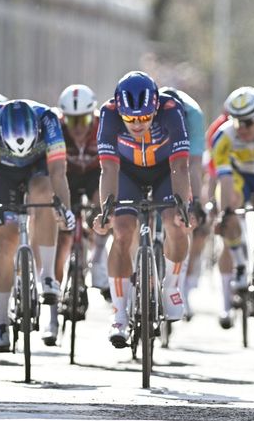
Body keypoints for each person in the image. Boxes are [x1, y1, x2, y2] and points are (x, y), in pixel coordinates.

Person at [92, 71, 192, 348]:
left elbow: (180, 167)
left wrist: (185, 205)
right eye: (131, 119)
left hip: (164, 172)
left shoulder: (171, 111)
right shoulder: (109, 114)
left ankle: (172, 287)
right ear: (120, 111)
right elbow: (108, 167)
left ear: (155, 108)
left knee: (175, 222)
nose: (138, 124)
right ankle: (120, 314)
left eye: (145, 118)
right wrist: (106, 210)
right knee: (122, 231)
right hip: (127, 173)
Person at [0, 99, 74, 352]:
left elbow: (59, 172)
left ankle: (48, 275)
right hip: (3, 174)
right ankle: (2, 321)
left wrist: (64, 208)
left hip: (39, 168)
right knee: (5, 240)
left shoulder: (49, 119)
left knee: (44, 194)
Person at [211, 86, 254, 329]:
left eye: (248, 122)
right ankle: (240, 264)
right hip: (240, 178)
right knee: (229, 207)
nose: (243, 128)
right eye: (237, 122)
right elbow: (225, 179)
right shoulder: (224, 136)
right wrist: (224, 213)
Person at [54, 84, 110, 304]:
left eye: (83, 121)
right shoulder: (56, 128)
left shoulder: (103, 126)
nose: (77, 128)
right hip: (67, 175)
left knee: (101, 204)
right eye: (71, 121)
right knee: (63, 235)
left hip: (95, 173)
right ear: (63, 117)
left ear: (92, 116)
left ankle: (97, 258)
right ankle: (54, 294)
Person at [159, 86, 206, 320]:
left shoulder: (193, 115)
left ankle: (178, 284)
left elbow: (194, 166)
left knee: (183, 220)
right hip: (150, 158)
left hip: (180, 164)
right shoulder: (151, 110)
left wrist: (195, 201)